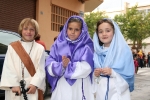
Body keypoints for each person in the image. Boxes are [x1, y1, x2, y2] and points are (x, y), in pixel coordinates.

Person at [45, 15, 94, 100]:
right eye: (70, 29)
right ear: (66, 29)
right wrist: (61, 66)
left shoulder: (86, 47)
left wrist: (69, 65)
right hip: (62, 85)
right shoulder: (57, 45)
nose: (72, 32)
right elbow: (49, 63)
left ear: (82, 31)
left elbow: (87, 67)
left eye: (76, 30)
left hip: (80, 85)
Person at [0, 18, 46, 100]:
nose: (28, 32)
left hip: (31, 88)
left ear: (35, 32)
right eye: (25, 29)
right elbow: (8, 67)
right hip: (15, 88)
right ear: (21, 30)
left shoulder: (40, 49)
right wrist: (13, 84)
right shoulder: (12, 47)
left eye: (32, 29)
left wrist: (35, 84)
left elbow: (41, 69)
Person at [93, 18, 134, 100]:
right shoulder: (96, 52)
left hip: (118, 92)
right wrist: (95, 75)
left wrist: (112, 72)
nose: (104, 34)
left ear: (114, 32)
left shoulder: (123, 51)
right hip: (101, 92)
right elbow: (93, 78)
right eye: (100, 31)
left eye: (108, 31)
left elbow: (129, 75)